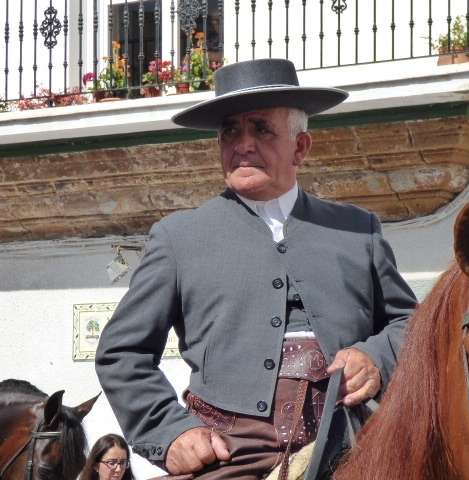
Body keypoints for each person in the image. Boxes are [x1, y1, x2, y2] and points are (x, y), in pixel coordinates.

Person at [95, 58, 417, 479]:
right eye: (231, 131)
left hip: (352, 442)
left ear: (301, 147)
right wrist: (170, 432)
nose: (243, 144)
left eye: (261, 129)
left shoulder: (358, 229)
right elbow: (122, 353)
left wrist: (375, 357)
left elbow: (412, 324)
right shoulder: (178, 237)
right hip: (230, 452)